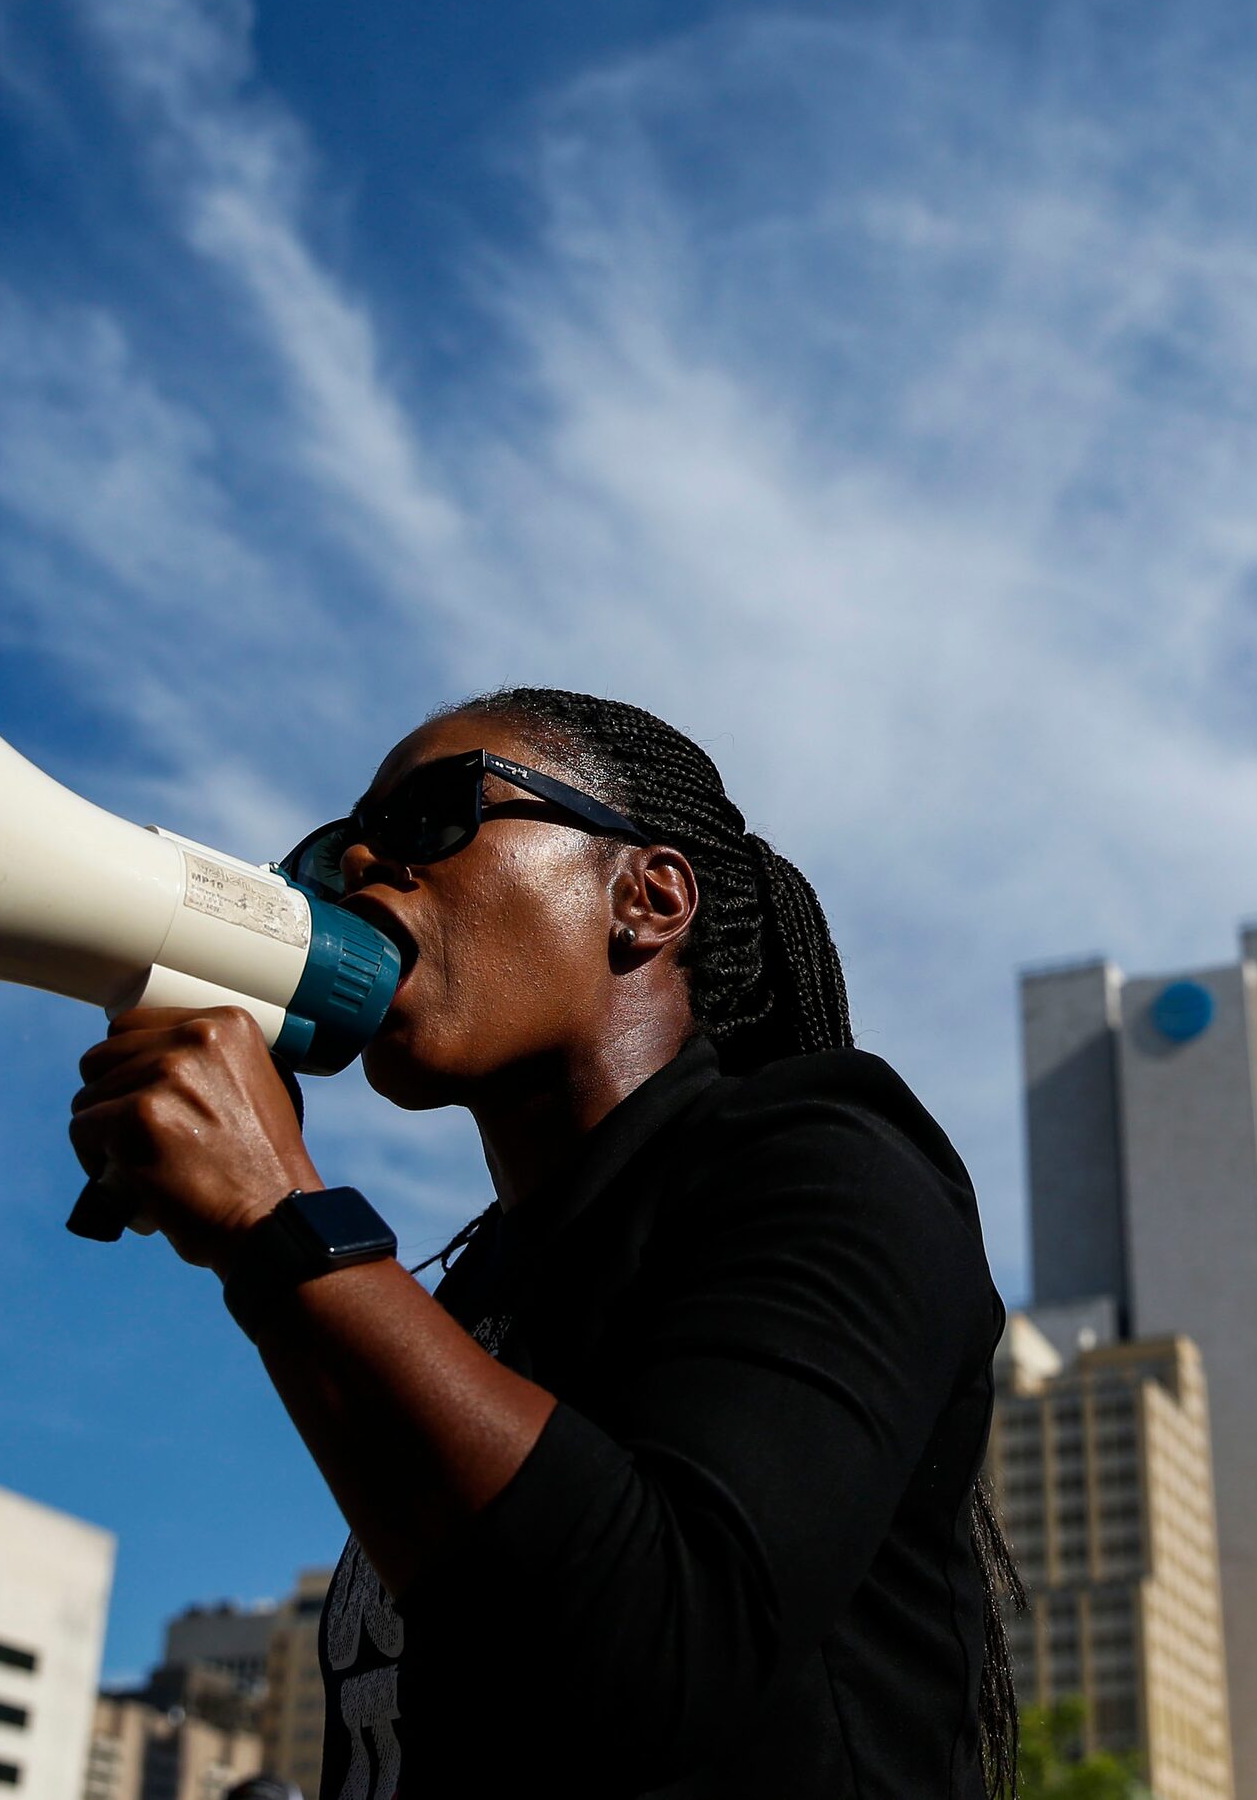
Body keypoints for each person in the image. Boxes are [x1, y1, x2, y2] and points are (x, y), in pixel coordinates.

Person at [65, 690, 1017, 1798]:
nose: (364, 857)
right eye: (336, 857)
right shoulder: (476, 1291)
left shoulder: (831, 1166)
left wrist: (276, 1223)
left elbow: (659, 1649)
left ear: (648, 899)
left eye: (433, 814)